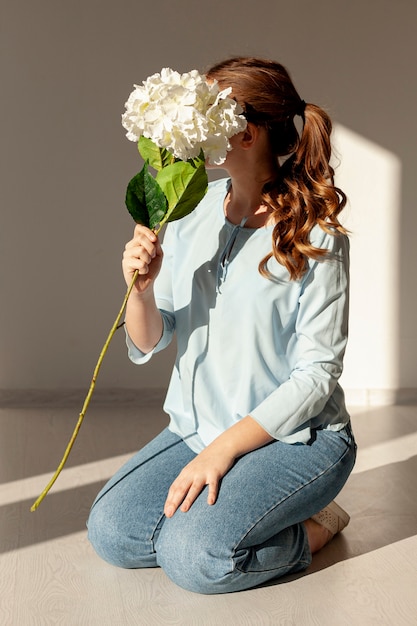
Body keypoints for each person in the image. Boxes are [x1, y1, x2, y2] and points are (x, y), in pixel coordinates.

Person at [87, 57, 356, 594]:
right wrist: (138, 288)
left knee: (197, 559)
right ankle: (227, 513)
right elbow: (152, 338)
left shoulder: (318, 234)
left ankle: (317, 526)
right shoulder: (189, 212)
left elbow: (317, 374)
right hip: (197, 427)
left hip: (298, 439)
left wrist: (224, 450)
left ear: (246, 132)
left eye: (204, 118)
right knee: (113, 533)